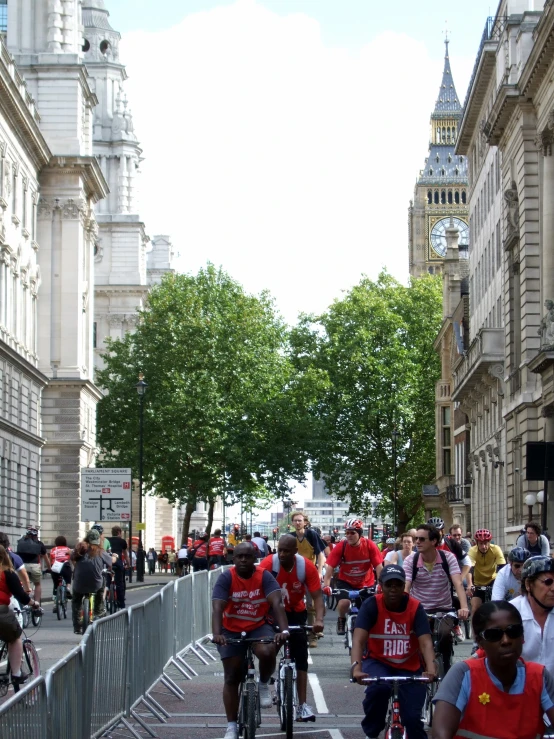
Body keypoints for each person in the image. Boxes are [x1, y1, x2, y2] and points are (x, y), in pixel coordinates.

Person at [432, 600, 554, 739]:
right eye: (494, 635)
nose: (506, 640)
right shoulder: (462, 675)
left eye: (514, 631)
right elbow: (440, 734)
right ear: (479, 642)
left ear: (522, 636)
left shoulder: (539, 676)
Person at [211, 542, 289, 739]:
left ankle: (263, 683)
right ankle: (231, 726)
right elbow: (218, 608)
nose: (243, 559)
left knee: (267, 651)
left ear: (255, 558)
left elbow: (277, 603)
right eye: (239, 556)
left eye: (247, 556)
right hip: (231, 630)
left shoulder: (264, 576)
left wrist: (284, 630)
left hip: (258, 626)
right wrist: (217, 633)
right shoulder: (226, 577)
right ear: (233, 558)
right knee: (232, 676)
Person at [351, 564, 436, 739]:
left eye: (398, 584)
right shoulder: (371, 605)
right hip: (378, 661)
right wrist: (356, 668)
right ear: (381, 585)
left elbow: (426, 643)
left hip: (410, 665)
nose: (393, 589)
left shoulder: (415, 608)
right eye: (389, 585)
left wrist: (431, 668)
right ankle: (372, 733)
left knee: (413, 720)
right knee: (378, 691)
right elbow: (358, 640)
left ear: (404, 585)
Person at [259, 534, 324, 722]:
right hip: (272, 613)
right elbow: (256, 589)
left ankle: (303, 705)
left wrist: (318, 619)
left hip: (296, 613)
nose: (281, 554)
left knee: (301, 656)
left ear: (295, 552)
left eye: (286, 551)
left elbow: (318, 597)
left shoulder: (305, 567)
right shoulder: (268, 564)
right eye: (279, 550)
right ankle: (264, 682)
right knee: (269, 650)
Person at [403, 524, 469, 674]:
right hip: (419, 609)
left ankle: (446, 671)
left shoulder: (448, 558)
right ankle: (419, 669)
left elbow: (458, 583)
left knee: (445, 635)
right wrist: (404, 610)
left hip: (444, 609)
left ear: (433, 542)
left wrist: (464, 607)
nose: (417, 542)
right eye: (416, 539)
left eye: (421, 539)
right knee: (419, 639)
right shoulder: (410, 561)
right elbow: (406, 587)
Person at [323, 518, 383, 636]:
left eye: (352, 533)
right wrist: (326, 586)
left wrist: (381, 584)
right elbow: (330, 568)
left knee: (369, 610)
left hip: (366, 582)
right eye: (347, 533)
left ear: (360, 534)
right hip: (346, 582)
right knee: (344, 603)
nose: (349, 536)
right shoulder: (342, 546)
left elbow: (379, 567)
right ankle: (341, 619)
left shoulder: (369, 545)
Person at [0, 545, 40, 685]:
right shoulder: (7, 573)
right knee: (15, 637)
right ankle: (16, 673)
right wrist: (34, 604)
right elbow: (21, 595)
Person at [511, 555, 554, 674]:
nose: (553, 588)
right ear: (528, 584)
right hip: (521, 689)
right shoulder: (510, 612)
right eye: (548, 582)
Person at [291, 512, 327, 648]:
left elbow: (320, 554)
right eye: (295, 521)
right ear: (292, 523)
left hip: (310, 572)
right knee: (293, 603)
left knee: (311, 605)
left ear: (305, 522)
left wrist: (319, 572)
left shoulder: (311, 535)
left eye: (300, 520)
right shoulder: (290, 537)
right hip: (295, 573)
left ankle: (313, 635)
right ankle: (297, 631)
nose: (298, 523)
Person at [71, 529, 113, 634]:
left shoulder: (79, 549)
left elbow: (72, 557)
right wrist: (115, 557)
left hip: (79, 584)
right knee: (102, 581)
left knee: (76, 602)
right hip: (95, 583)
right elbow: (111, 562)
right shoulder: (101, 551)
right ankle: (98, 610)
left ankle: (77, 626)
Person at [467, 529, 506, 626]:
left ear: (489, 542)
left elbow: (502, 567)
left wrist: (502, 583)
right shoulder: (472, 551)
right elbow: (469, 569)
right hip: (477, 581)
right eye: (481, 543)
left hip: (493, 580)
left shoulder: (496, 549)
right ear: (477, 543)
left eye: (486, 543)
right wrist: (469, 584)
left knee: (497, 605)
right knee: (475, 607)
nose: (484, 546)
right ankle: (475, 635)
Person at [16, 527, 51, 604]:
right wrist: (49, 568)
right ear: (36, 535)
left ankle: (20, 602)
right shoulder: (39, 544)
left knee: (21, 583)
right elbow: (46, 558)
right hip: (34, 566)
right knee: (37, 584)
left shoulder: (20, 542)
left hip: (22, 566)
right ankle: (37, 604)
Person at [106, 526, 128, 609]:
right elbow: (126, 555)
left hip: (109, 562)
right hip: (118, 563)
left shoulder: (107, 540)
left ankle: (106, 599)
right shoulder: (122, 541)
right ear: (119, 532)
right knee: (120, 583)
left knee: (107, 582)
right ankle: (121, 603)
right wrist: (128, 564)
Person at [49, 535, 73, 605]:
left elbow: (51, 560)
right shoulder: (68, 549)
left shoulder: (53, 549)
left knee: (56, 584)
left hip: (55, 567)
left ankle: (54, 603)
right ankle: (68, 588)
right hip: (65, 567)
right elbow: (71, 559)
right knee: (68, 574)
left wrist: (50, 568)